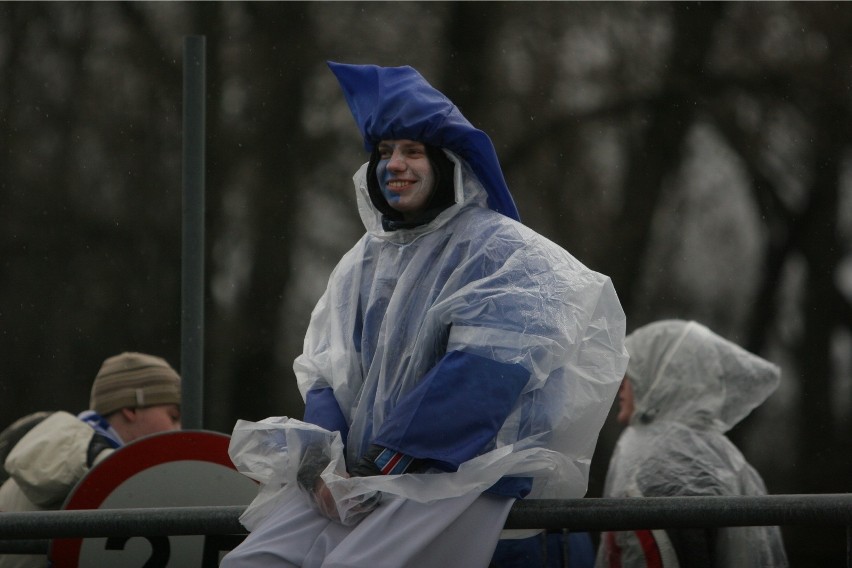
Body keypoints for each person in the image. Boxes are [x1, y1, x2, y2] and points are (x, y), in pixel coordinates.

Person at [222, 61, 629, 568]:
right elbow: (329, 371)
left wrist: (382, 465)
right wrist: (322, 467)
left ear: (448, 163)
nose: (394, 164)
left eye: (413, 151)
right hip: (363, 480)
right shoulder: (362, 262)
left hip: (463, 477)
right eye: (384, 152)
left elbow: (482, 382)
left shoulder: (503, 254)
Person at [595, 320, 788, 568]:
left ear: (664, 380)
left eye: (634, 372)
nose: (622, 385)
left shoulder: (658, 464)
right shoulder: (719, 455)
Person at [0, 352, 182, 568]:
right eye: (173, 416)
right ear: (131, 409)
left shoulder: (67, 454)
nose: (179, 429)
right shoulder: (92, 463)